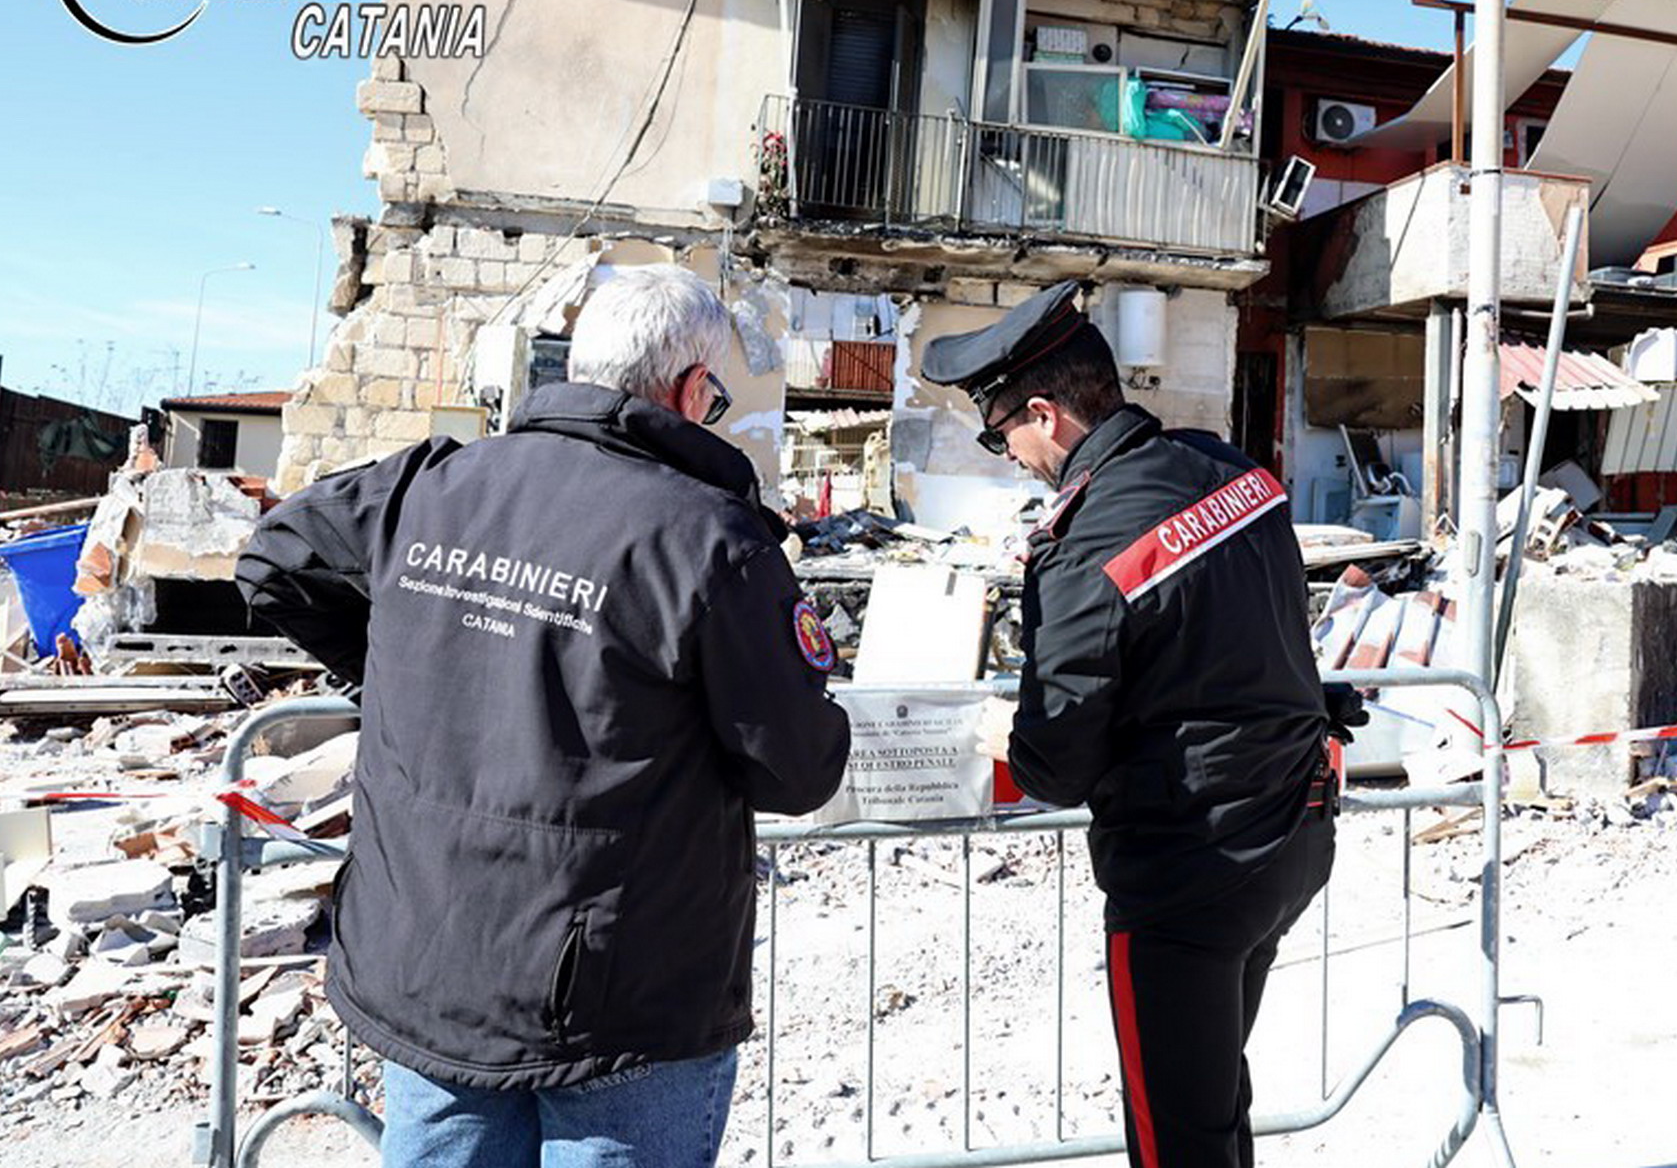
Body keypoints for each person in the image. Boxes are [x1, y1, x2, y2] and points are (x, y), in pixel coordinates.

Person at [237, 264, 849, 1168]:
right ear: (687, 389)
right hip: (619, 997)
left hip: (435, 960)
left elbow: (274, 554)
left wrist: (407, 667)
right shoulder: (706, 537)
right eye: (714, 397)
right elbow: (797, 769)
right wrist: (396, 673)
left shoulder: (433, 484)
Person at [921, 280, 1349, 1168]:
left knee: (1175, 1139)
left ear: (1047, 414)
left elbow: (1058, 765)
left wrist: (1010, 734)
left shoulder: (1082, 551)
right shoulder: (1237, 471)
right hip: (1291, 834)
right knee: (1215, 1099)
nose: (1010, 455)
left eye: (1004, 435)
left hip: (1188, 875)